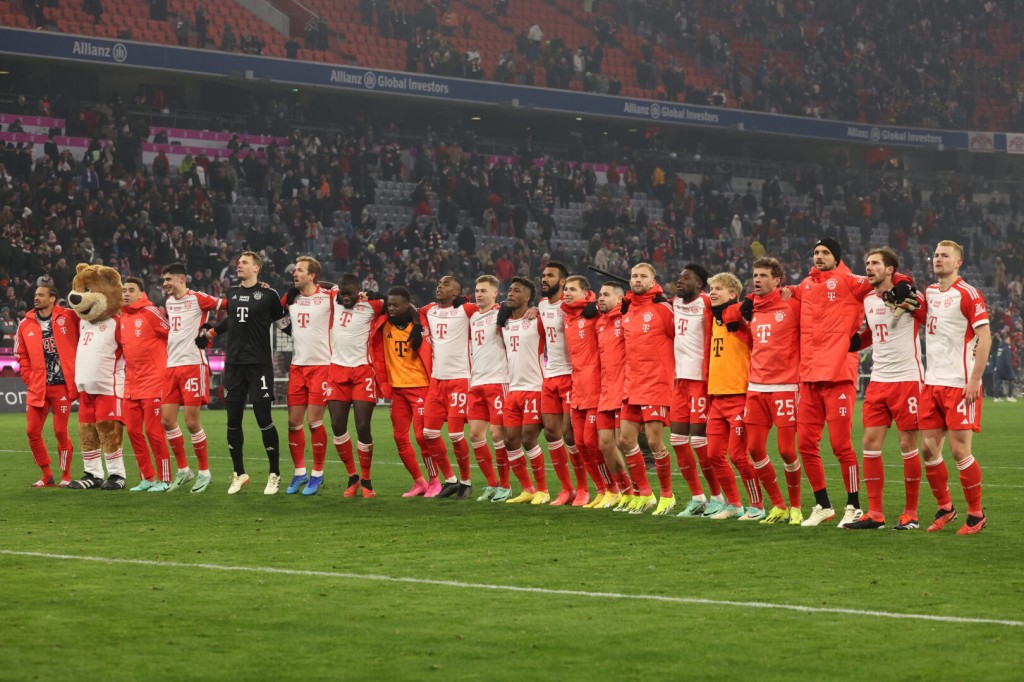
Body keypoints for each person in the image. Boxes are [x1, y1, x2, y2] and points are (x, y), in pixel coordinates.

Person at [790, 238, 915, 527]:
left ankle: (854, 505)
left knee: (840, 445)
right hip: (808, 375)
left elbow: (884, 277)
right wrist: (750, 299)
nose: (819, 256)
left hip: (838, 373)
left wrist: (904, 282)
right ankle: (823, 505)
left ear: (836, 258)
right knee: (805, 445)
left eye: (825, 252)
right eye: (816, 252)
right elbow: (779, 293)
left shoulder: (849, 281)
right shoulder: (805, 285)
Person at [843, 247, 927, 530]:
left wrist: (906, 287)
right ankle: (875, 514)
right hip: (878, 381)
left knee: (907, 445)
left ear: (890, 269)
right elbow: (873, 332)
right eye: (867, 263)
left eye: (875, 263)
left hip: (907, 379)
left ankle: (911, 514)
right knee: (869, 444)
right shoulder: (868, 298)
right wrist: (854, 342)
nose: (868, 267)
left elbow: (926, 314)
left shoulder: (909, 294)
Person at [198, 251, 287, 494]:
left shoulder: (269, 294)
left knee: (263, 418)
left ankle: (274, 473)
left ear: (257, 268)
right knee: (233, 421)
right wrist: (212, 333)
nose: (239, 265)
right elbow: (233, 321)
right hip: (235, 365)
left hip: (259, 364)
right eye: (238, 263)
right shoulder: (233, 293)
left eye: (244, 263)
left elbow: (284, 324)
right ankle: (239, 473)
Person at [918, 240, 991, 534]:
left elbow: (985, 338)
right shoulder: (930, 292)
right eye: (936, 255)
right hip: (932, 383)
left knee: (960, 451)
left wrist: (974, 379)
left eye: (945, 256)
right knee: (928, 450)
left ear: (958, 262)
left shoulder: (969, 294)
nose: (938, 259)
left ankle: (976, 514)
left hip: (960, 384)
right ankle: (946, 507)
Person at [743, 257, 803, 524]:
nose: (757, 279)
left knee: (787, 451)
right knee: (754, 448)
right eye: (755, 275)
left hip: (785, 386)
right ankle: (778, 505)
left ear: (777, 280)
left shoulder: (792, 304)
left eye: (763, 275)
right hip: (756, 386)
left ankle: (796, 506)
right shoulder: (750, 308)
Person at [704, 272, 763, 520]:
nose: (712, 292)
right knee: (713, 455)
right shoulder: (712, 318)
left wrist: (745, 301)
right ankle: (734, 504)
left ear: (732, 294)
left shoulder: (741, 319)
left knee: (738, 455)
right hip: (716, 396)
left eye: (718, 288)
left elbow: (758, 300)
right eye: (711, 288)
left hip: (739, 394)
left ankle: (757, 506)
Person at [160, 262, 223, 493]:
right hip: (171, 366)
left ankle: (205, 472)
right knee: (167, 420)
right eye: (164, 280)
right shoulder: (169, 303)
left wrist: (210, 331)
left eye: (168, 279)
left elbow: (226, 305)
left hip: (193, 364)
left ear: (181, 279)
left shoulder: (198, 298)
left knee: (191, 422)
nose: (165, 284)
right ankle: (184, 470)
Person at [619, 262, 674, 514]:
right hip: (631, 384)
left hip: (655, 383)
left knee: (654, 442)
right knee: (625, 439)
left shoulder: (663, 308)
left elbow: (682, 336)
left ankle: (667, 495)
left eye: (643, 276)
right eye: (634, 276)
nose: (637, 279)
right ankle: (645, 494)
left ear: (653, 282)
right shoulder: (628, 310)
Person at [325, 273, 385, 497]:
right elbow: (322, 285)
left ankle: (367, 480)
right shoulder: (335, 297)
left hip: (362, 372)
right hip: (336, 371)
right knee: (337, 425)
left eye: (350, 293)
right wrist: (297, 290)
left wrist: (378, 295)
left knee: (362, 426)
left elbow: (396, 303)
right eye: (343, 293)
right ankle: (353, 477)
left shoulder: (371, 306)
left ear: (358, 291)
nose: (345, 297)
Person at [670, 263, 723, 517]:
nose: (680, 281)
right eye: (679, 277)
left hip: (700, 381)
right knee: (677, 440)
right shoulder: (675, 302)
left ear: (699, 284)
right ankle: (697, 497)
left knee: (700, 442)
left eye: (686, 278)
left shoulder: (706, 303)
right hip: (680, 380)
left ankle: (718, 497)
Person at [419, 275, 478, 499]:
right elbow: (415, 312)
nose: (439, 286)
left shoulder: (465, 310)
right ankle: (451, 480)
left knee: (455, 434)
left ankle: (466, 482)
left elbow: (488, 308)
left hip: (460, 380)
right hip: (437, 381)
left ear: (456, 292)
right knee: (429, 433)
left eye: (445, 284)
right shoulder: (429, 310)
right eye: (439, 283)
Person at [371, 286, 432, 496]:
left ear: (408, 304)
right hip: (397, 390)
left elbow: (419, 311)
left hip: (420, 386)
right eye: (390, 305)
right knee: (400, 438)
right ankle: (419, 482)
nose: (392, 308)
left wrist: (417, 322)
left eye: (396, 305)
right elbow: (377, 304)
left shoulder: (422, 323)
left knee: (422, 437)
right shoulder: (384, 323)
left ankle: (435, 480)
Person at [15, 285, 79, 487]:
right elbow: (21, 354)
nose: (36, 297)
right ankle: (46, 475)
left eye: (41, 295)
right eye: (35, 294)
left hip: (61, 386)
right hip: (37, 386)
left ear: (52, 298)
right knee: (32, 432)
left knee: (60, 431)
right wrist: (28, 376)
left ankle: (66, 475)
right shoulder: (25, 324)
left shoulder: (69, 316)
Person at [281, 257, 334, 496]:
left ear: (312, 275)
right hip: (297, 367)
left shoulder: (328, 297)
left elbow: (347, 293)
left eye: (300, 270)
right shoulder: (290, 298)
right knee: (293, 423)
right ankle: (299, 472)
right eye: (295, 270)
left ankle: (317, 474)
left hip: (322, 367)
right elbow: (275, 313)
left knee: (314, 422)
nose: (295, 273)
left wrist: (327, 285)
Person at [561, 275, 614, 507]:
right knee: (580, 444)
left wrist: (596, 306)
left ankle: (614, 488)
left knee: (592, 443)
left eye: (572, 289)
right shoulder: (567, 317)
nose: (567, 293)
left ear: (585, 293)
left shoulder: (595, 313)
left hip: (595, 388)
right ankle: (601, 490)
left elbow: (617, 308)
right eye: (565, 289)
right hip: (577, 388)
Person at [497, 277, 549, 503]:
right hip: (513, 390)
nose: (510, 293)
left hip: (534, 388)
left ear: (527, 297)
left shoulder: (537, 321)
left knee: (529, 438)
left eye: (517, 291)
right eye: (510, 290)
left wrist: (538, 310)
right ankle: (528, 489)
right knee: (510, 441)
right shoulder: (505, 323)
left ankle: (543, 490)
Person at [120, 277, 173, 492]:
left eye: (131, 290)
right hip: (131, 385)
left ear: (141, 293)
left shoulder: (151, 312)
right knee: (133, 432)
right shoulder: (122, 316)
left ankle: (165, 479)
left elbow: (173, 333)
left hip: (153, 382)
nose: (126, 294)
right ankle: (147, 477)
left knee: (154, 433)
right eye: (124, 290)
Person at [537, 261, 582, 504]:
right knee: (551, 434)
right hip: (549, 375)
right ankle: (567, 489)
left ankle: (584, 488)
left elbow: (588, 301)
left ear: (563, 281)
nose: (544, 279)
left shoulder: (571, 305)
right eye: (544, 275)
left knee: (570, 435)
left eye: (550, 276)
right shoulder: (542, 305)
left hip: (570, 375)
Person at [467, 275, 510, 502]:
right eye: (476, 290)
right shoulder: (473, 317)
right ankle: (492, 484)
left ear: (495, 293)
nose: (479, 294)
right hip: (476, 383)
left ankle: (506, 485)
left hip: (498, 380)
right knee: (475, 435)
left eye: (483, 290)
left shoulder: (502, 314)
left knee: (497, 435)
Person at [594, 281, 632, 509]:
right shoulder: (599, 321)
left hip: (624, 389)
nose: (600, 298)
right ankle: (625, 491)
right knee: (606, 445)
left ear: (619, 299)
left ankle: (641, 492)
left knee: (624, 443)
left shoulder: (626, 317)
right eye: (599, 294)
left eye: (606, 294)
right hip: (606, 390)